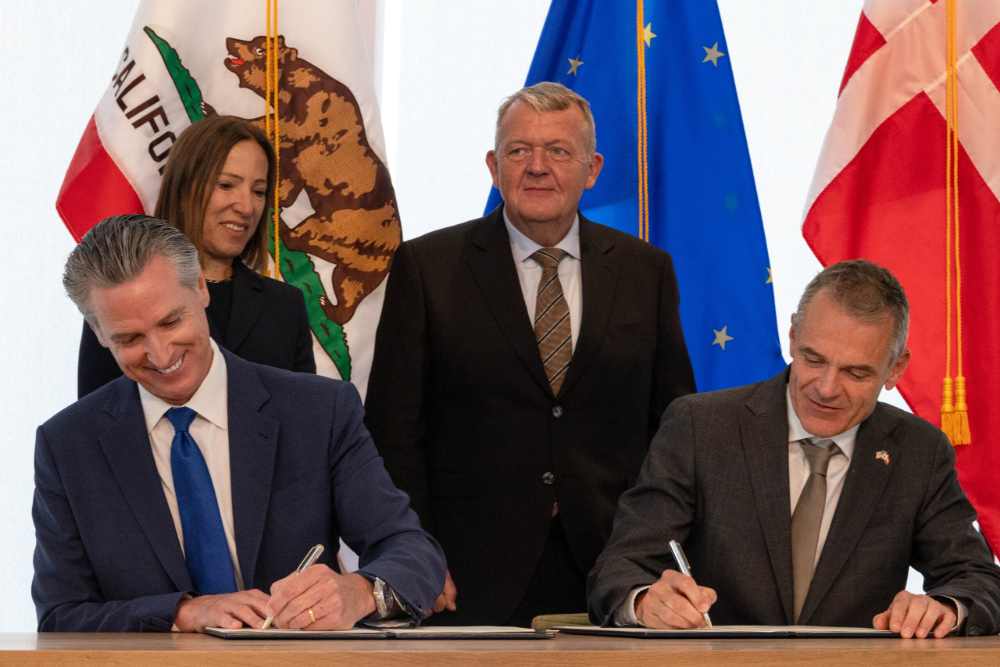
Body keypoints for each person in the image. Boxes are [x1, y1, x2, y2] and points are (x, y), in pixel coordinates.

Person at [365, 82, 695, 626]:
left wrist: (655, 559)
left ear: (592, 169)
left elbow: (675, 431)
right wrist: (415, 557)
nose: (537, 167)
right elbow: (393, 433)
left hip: (615, 572)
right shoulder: (428, 268)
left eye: (559, 151)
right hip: (466, 573)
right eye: (519, 151)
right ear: (494, 166)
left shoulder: (646, 272)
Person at [33, 215, 445, 632]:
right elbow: (60, 614)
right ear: (98, 332)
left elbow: (414, 553)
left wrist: (359, 593)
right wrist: (181, 613)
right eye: (129, 339)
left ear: (200, 290)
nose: (159, 354)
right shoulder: (67, 445)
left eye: (170, 322)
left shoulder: (318, 412)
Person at [588, 260, 1000, 638]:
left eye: (855, 372)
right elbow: (618, 569)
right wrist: (643, 601)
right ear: (792, 336)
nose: (826, 388)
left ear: (896, 369)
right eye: (813, 359)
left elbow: (977, 579)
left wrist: (946, 607)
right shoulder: (701, 427)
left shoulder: (919, 452)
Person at [77, 115, 315, 397]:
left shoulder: (285, 305)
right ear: (184, 186)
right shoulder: (122, 300)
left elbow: (307, 421)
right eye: (226, 185)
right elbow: (98, 423)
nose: (247, 206)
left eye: (259, 191)